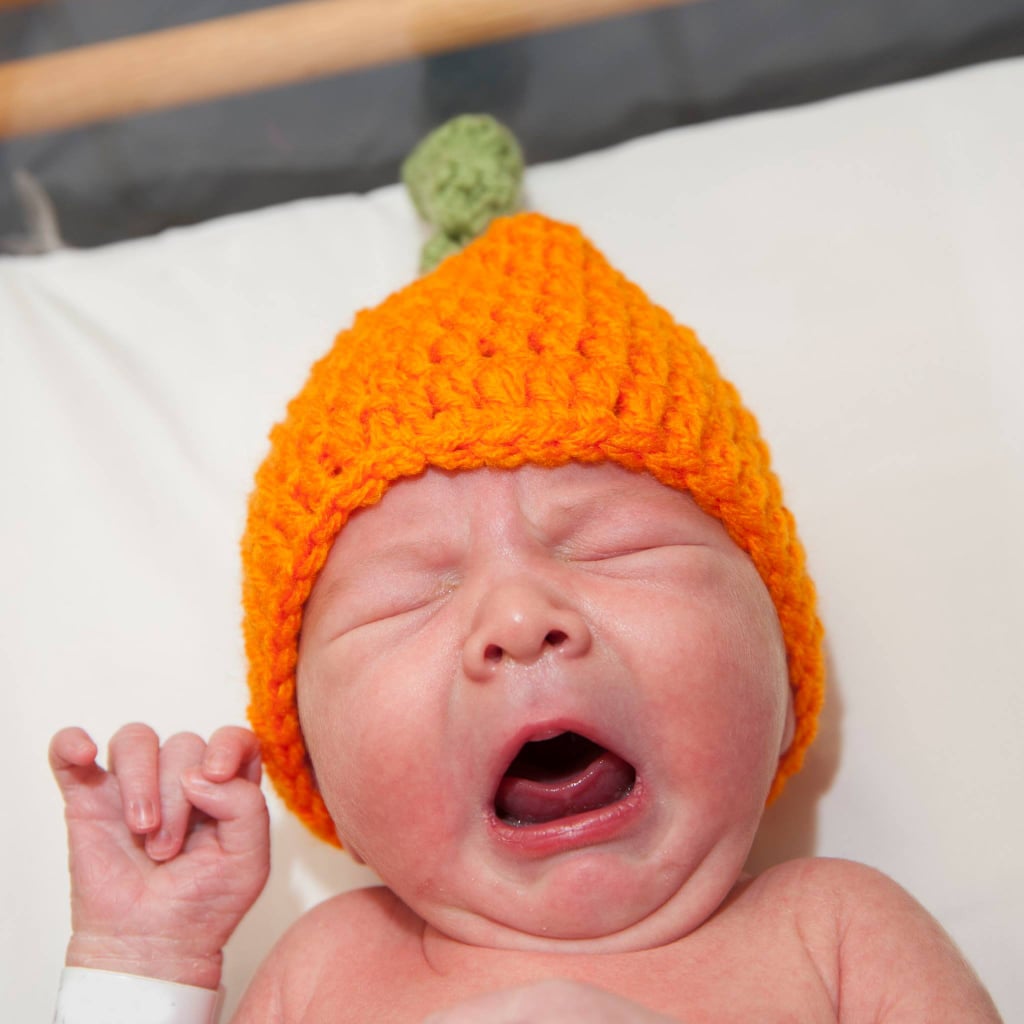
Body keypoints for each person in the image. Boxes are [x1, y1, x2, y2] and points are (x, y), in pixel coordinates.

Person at [49, 121, 1002, 1023]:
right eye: (409, 597)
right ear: (316, 771)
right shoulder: (330, 966)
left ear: (786, 673)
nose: (517, 614)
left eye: (613, 548)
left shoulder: (832, 933)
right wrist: (145, 960)